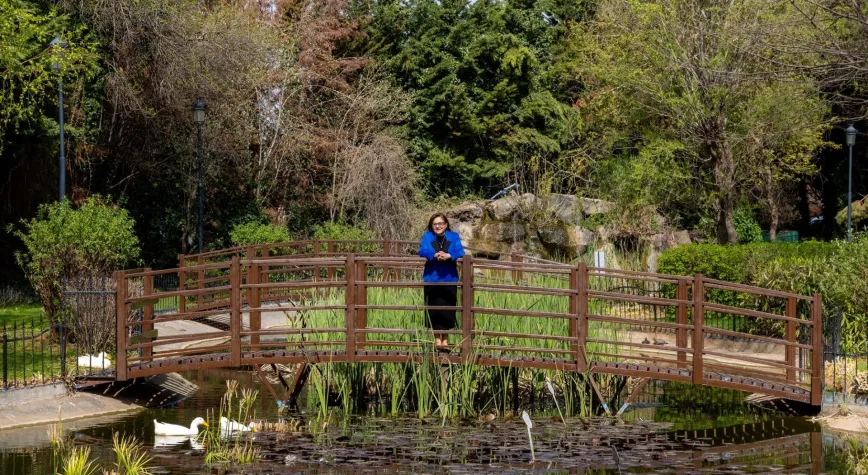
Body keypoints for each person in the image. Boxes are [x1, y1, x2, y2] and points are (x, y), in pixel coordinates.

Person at [419, 213, 465, 351]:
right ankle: (437, 341)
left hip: (449, 278)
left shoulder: (453, 236)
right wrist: (434, 255)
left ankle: (446, 341)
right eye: (435, 224)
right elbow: (422, 251)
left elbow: (460, 252)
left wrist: (449, 255)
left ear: (445, 224)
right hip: (432, 278)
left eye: (440, 223)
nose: (437, 226)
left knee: (447, 309)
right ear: (431, 226)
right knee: (434, 309)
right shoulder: (428, 236)